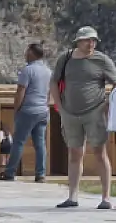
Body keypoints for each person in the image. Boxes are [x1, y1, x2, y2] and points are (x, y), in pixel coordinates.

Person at [48, 26, 116, 209]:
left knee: (99, 153)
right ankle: (73, 196)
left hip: (94, 111)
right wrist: (59, 107)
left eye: (93, 40)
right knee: (75, 154)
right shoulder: (66, 58)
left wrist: (108, 104)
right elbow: (54, 81)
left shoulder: (102, 60)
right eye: (87, 39)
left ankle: (105, 198)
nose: (91, 43)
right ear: (78, 41)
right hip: (69, 113)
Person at [0, 43, 50, 183]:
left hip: (28, 110)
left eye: (27, 51)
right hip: (43, 111)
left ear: (32, 53)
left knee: (19, 142)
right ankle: (40, 174)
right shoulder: (48, 71)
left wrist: (16, 109)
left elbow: (21, 91)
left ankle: (9, 172)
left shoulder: (27, 71)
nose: (25, 54)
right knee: (40, 143)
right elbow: (50, 92)